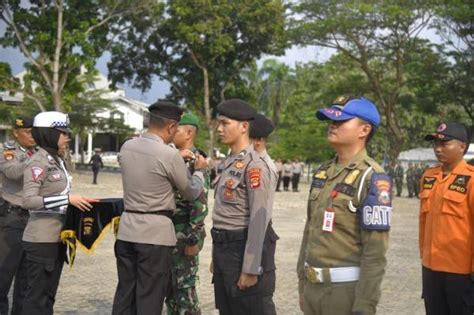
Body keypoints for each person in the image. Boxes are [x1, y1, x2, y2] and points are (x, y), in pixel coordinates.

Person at [297, 96, 392, 315]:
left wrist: (364, 306)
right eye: (331, 120)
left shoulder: (372, 177)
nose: (332, 125)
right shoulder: (323, 172)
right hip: (313, 289)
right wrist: (303, 283)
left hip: (343, 294)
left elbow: (375, 251)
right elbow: (309, 230)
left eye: (341, 121)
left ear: (364, 130)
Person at [112, 101, 207, 315]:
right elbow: (191, 192)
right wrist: (199, 171)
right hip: (154, 236)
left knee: (125, 293)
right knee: (149, 297)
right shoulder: (169, 155)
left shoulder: (127, 147)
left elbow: (143, 162)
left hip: (127, 230)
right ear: (172, 127)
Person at [22, 111, 97, 314]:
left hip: (57, 238)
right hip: (41, 240)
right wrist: (66, 199)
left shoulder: (56, 160)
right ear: (49, 134)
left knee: (48, 298)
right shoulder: (38, 162)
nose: (67, 137)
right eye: (63, 133)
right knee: (36, 299)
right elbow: (28, 200)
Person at [211, 99, 272, 315]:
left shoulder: (254, 166)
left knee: (245, 309)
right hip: (223, 249)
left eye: (225, 123)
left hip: (239, 249)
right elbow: (222, 214)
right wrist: (215, 257)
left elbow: (258, 221)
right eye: (219, 123)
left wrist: (251, 267)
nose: (219, 129)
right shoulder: (229, 162)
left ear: (244, 127)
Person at [419, 122, 473, 315]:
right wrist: (424, 257)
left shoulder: (471, 179)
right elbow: (423, 223)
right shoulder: (428, 176)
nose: (438, 149)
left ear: (462, 146)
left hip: (461, 272)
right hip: (431, 269)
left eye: (444, 144)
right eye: (435, 144)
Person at [166, 113, 209, 315]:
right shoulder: (172, 158)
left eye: (177, 128)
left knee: (185, 294)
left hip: (185, 236)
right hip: (168, 235)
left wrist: (194, 238)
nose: (172, 131)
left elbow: (199, 203)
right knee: (171, 294)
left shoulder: (196, 161)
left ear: (189, 132)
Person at [0, 116, 36, 315]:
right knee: (4, 276)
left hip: (33, 219)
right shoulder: (7, 151)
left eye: (34, 132)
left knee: (26, 280)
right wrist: (38, 160)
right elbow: (12, 172)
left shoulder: (39, 152)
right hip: (11, 218)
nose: (33, 136)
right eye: (28, 132)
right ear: (16, 132)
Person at [249, 113, 280, 315]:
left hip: (259, 237)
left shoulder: (261, 167)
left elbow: (259, 215)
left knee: (261, 298)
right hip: (255, 235)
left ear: (258, 141)